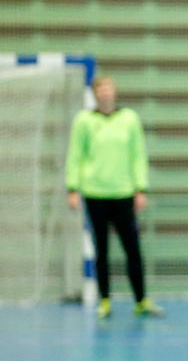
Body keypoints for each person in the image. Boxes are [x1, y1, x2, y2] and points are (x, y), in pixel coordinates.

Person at [66, 74, 161, 319]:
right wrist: (72, 187)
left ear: (114, 92)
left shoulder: (129, 119)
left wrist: (141, 188)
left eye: (109, 89)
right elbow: (75, 154)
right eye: (101, 90)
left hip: (123, 193)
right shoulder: (84, 121)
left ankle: (141, 300)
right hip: (95, 193)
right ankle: (104, 300)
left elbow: (138, 154)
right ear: (95, 94)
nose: (106, 94)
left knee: (132, 248)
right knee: (101, 250)